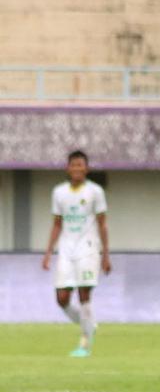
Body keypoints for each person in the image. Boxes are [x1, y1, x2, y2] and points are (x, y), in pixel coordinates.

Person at [41, 150, 110, 357]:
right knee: (61, 298)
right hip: (66, 250)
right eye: (74, 165)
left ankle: (85, 344)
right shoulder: (59, 192)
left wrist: (105, 254)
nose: (77, 169)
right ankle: (89, 323)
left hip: (88, 249)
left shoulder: (95, 192)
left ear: (86, 168)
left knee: (84, 295)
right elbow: (56, 224)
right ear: (68, 168)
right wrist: (47, 253)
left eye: (81, 165)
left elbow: (102, 224)